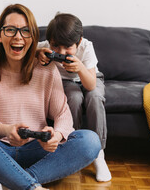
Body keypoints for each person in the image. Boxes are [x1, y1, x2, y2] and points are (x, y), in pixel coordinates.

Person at [0, 4, 101, 190]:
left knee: (90, 141)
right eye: (10, 30)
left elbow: (62, 114)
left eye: (25, 31)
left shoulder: (46, 68)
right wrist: (7, 130)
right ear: (0, 35)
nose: (18, 36)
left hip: (36, 150)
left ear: (32, 38)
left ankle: (11, 181)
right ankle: (30, 186)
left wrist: (56, 135)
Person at [36, 13, 112, 182]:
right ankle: (72, 147)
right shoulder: (47, 46)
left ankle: (99, 154)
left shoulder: (86, 47)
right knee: (74, 98)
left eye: (68, 47)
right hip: (66, 82)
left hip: (90, 78)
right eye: (56, 46)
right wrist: (38, 53)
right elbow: (29, 50)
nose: (61, 52)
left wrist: (80, 68)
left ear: (78, 42)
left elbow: (91, 85)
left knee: (94, 98)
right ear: (50, 41)